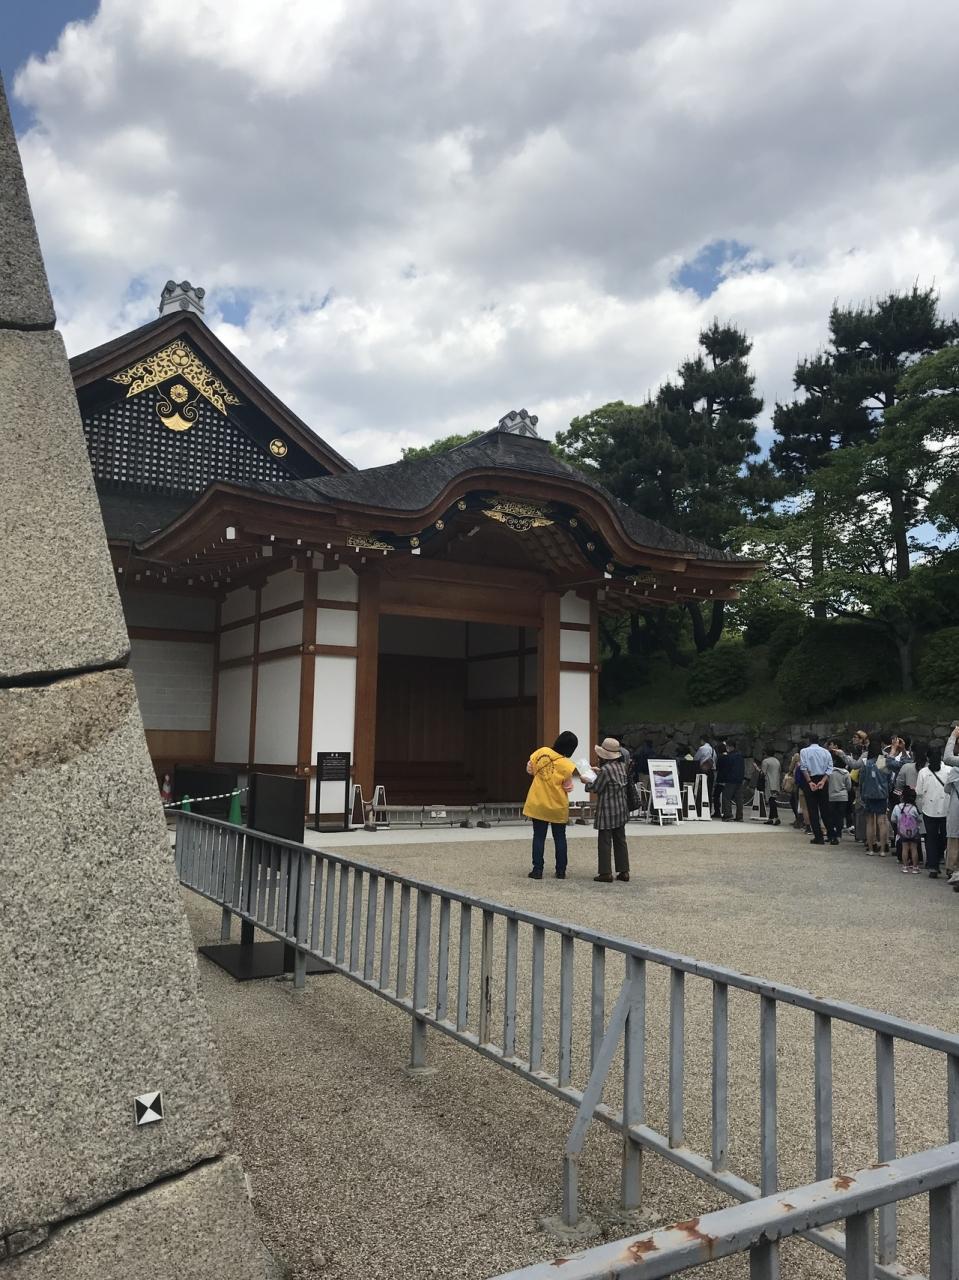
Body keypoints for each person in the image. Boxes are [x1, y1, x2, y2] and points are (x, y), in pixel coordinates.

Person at [523, 730, 578, 880]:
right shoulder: (567, 765)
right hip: (557, 806)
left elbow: (530, 769)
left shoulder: (542, 752)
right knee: (559, 837)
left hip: (538, 802)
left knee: (538, 837)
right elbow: (568, 787)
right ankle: (561, 871)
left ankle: (537, 870)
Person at [584, 737, 631, 883]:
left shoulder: (605, 770)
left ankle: (605, 873)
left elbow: (596, 787)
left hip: (607, 810)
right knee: (620, 840)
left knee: (604, 841)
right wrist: (598, 772)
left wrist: (587, 780)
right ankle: (624, 871)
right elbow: (611, 779)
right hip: (621, 808)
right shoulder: (622, 766)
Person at [916, 744, 950, 879]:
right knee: (945, 837)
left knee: (930, 838)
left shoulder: (923, 772)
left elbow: (919, 791)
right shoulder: (949, 770)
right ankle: (942, 859)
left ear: (928, 758)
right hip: (946, 808)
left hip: (929, 809)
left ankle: (932, 866)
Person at [799, 734, 834, 846]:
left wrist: (809, 782)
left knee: (812, 810)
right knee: (825, 809)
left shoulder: (804, 751)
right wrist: (823, 781)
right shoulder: (826, 752)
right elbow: (830, 768)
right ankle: (832, 836)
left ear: (809, 741)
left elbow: (803, 768)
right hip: (823, 779)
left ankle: (818, 837)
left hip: (810, 779)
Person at [859, 740, 891, 855]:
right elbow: (888, 778)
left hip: (868, 794)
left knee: (870, 822)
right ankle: (882, 850)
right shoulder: (882, 762)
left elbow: (862, 780)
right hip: (881, 794)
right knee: (881, 822)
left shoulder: (866, 763)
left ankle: (871, 848)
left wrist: (862, 794)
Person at [891, 785, 921, 874]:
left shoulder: (897, 807)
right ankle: (915, 867)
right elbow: (919, 819)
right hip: (913, 832)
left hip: (902, 832)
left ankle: (905, 866)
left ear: (902, 797)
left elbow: (893, 819)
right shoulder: (914, 808)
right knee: (914, 849)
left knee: (905, 848)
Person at [716, 739, 745, 821]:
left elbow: (726, 769)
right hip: (739, 779)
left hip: (731, 779)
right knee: (739, 798)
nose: (726, 748)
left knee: (726, 797)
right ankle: (739, 816)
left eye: (727, 746)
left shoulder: (730, 756)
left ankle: (728, 815)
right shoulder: (740, 756)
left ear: (731, 747)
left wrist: (724, 779)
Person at [826, 751, 852, 845]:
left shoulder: (830, 772)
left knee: (831, 816)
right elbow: (849, 786)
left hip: (832, 796)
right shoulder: (846, 773)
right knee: (840, 817)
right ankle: (838, 835)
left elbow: (827, 783)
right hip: (843, 797)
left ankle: (831, 834)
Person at [944, 726, 959, 885]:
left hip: (956, 806)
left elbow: (947, 757)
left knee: (954, 837)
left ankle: (953, 869)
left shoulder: (955, 770)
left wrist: (953, 735)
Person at [694, 734, 716, 815]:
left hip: (703, 772)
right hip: (711, 772)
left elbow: (696, 759)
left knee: (701, 791)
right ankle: (708, 810)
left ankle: (700, 810)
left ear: (702, 740)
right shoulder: (713, 750)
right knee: (709, 792)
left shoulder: (702, 748)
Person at [760, 746, 782, 826]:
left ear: (766, 753)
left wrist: (757, 769)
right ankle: (770, 818)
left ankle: (776, 817)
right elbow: (779, 771)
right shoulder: (777, 761)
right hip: (776, 783)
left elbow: (763, 773)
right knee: (773, 800)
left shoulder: (766, 761)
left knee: (771, 801)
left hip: (769, 783)